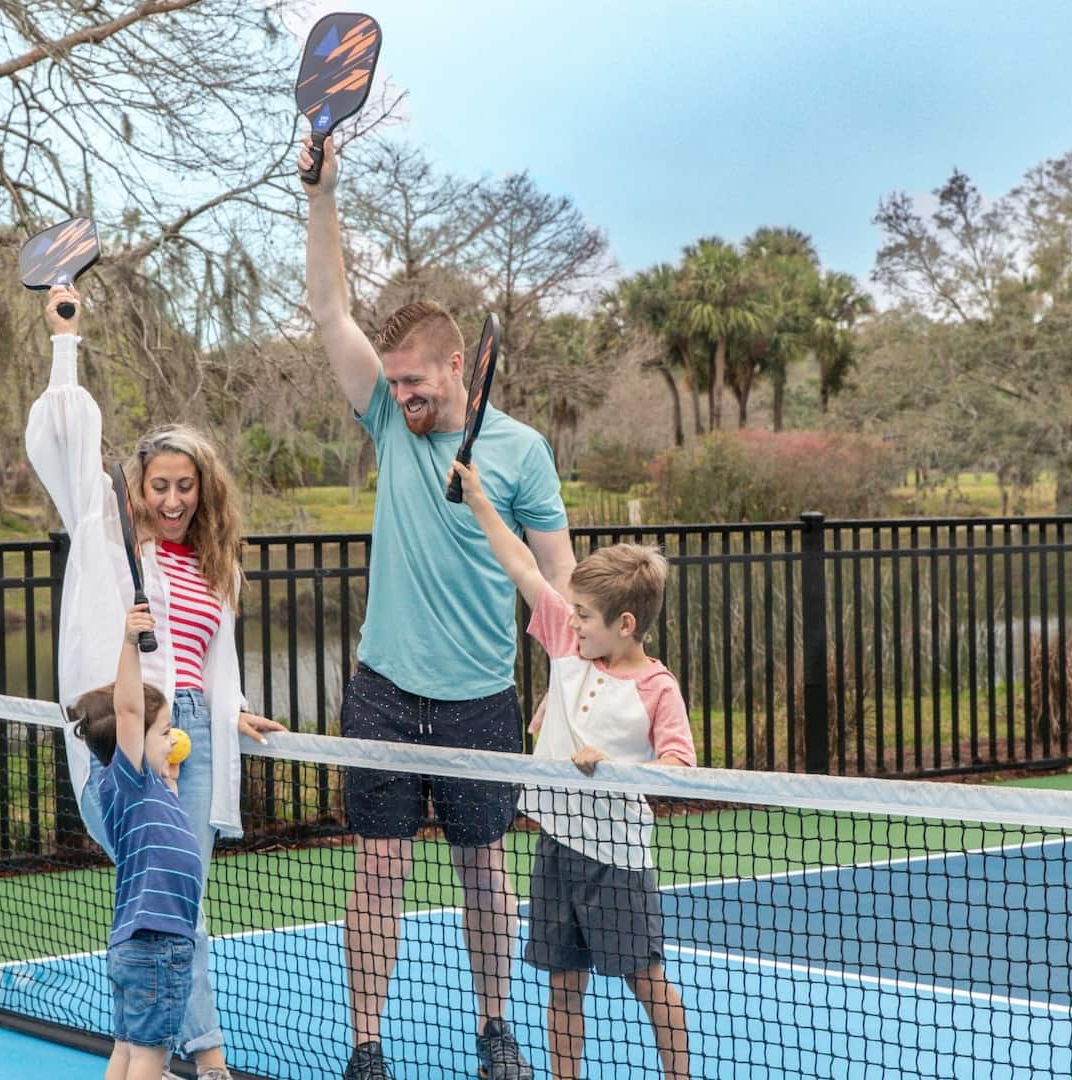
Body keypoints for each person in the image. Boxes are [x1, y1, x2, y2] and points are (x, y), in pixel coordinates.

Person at [301, 133, 577, 1080]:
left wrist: (566, 682)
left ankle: (494, 1030)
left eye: (417, 380)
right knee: (377, 872)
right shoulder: (385, 416)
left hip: (479, 701)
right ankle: (366, 1044)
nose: (402, 393)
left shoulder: (524, 453)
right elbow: (329, 308)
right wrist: (323, 194)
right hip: (383, 691)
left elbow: (560, 580)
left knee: (483, 876)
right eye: (396, 379)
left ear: (461, 367)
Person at [26, 285, 284, 1080]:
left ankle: (149, 1053)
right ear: (138, 487)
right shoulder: (104, 537)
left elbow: (213, 658)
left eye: (187, 486)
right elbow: (67, 436)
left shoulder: (215, 564)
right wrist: (65, 341)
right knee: (176, 904)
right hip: (133, 732)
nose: (172, 499)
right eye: (160, 485)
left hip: (198, 731)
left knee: (181, 900)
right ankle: (205, 1061)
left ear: (205, 490)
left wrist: (236, 709)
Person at [453, 460, 695, 1080]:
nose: (573, 621)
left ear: (626, 625)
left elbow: (679, 768)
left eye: (585, 615)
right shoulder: (568, 642)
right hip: (555, 847)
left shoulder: (657, 688)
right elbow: (523, 566)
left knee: (645, 979)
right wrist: (480, 498)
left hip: (617, 858)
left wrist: (614, 768)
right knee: (563, 982)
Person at [69, 603, 204, 1080]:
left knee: (126, 1049)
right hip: (157, 943)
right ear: (131, 738)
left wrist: (168, 761)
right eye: (165, 731)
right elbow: (129, 707)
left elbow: (164, 780)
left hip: (135, 945)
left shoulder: (144, 789)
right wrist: (130, 641)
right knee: (149, 1057)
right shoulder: (130, 780)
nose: (174, 739)